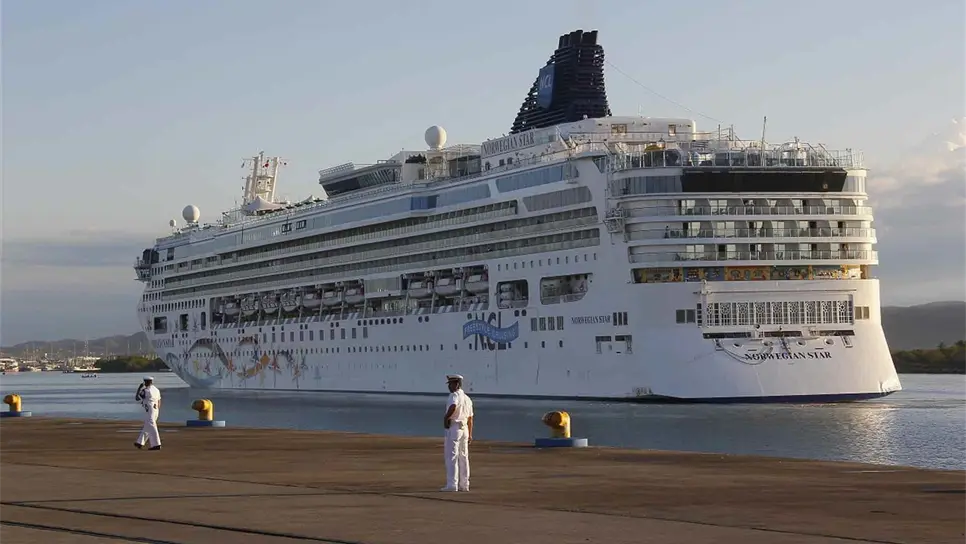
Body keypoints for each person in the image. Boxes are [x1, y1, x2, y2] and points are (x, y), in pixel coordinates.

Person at [441, 374, 473, 492]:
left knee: (452, 457)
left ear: (457, 384)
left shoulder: (454, 396)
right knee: (464, 457)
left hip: (454, 427)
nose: (449, 386)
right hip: (464, 429)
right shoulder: (467, 399)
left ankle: (452, 484)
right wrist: (470, 434)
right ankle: (464, 484)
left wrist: (446, 418)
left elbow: (453, 406)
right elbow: (470, 418)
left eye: (451, 384)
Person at [134, 376, 162, 450]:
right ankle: (140, 442)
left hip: (150, 409)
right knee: (147, 425)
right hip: (156, 409)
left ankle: (156, 444)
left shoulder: (146, 390)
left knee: (152, 426)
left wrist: (139, 388)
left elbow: (137, 398)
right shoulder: (156, 390)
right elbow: (159, 401)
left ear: (145, 382)